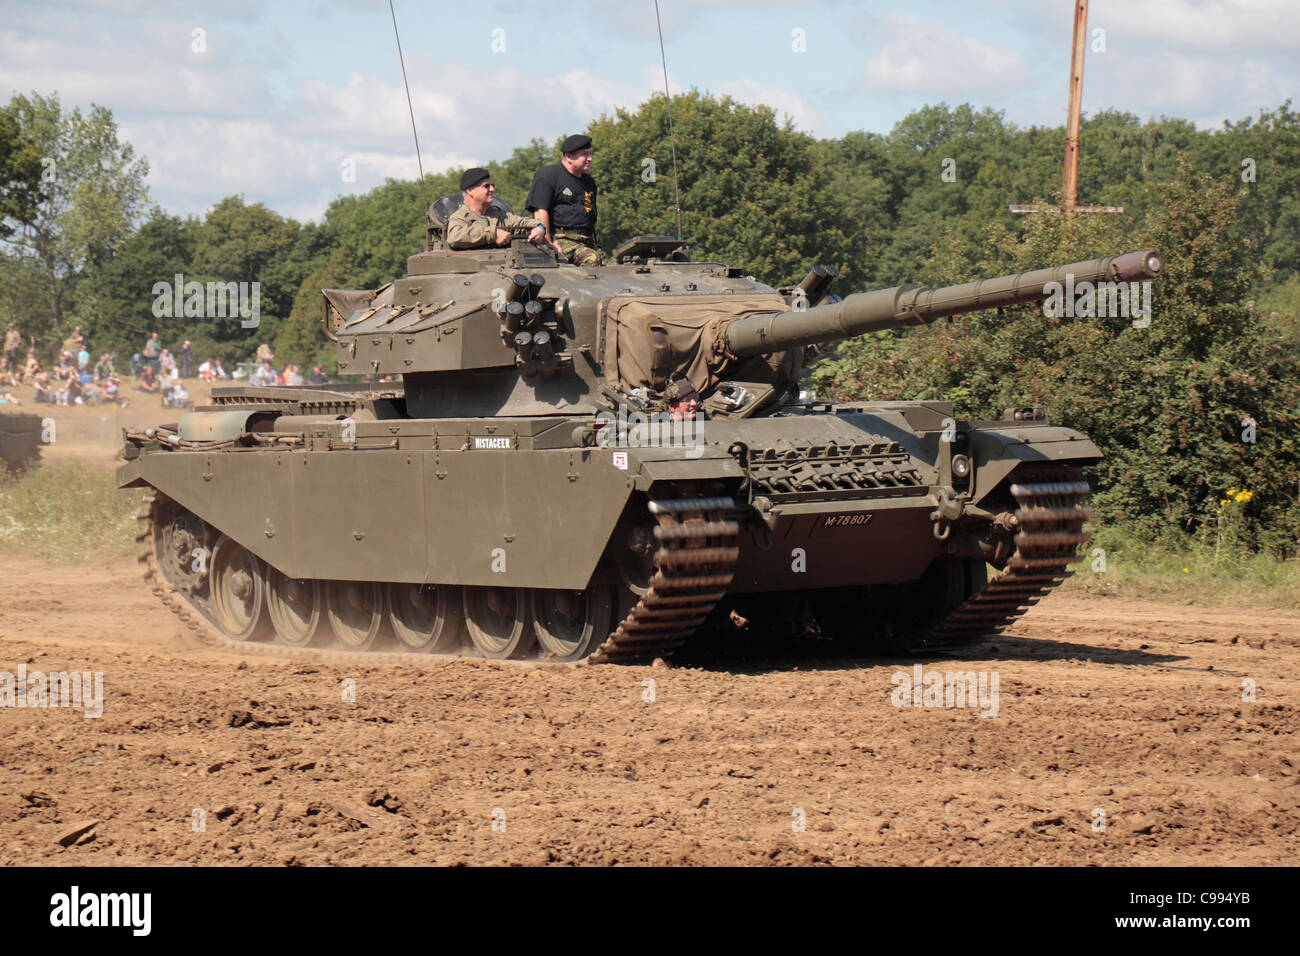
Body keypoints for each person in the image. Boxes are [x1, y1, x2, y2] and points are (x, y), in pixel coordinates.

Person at [525, 134, 604, 266]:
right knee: (592, 259)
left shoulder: (588, 182)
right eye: (585, 154)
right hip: (560, 240)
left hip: (586, 242)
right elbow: (540, 212)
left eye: (590, 154)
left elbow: (589, 212)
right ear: (568, 156)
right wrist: (548, 245)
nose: (590, 158)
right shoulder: (548, 176)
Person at [446, 168, 558, 252]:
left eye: (492, 185)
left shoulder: (498, 215)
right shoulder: (460, 217)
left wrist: (540, 227)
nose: (492, 189)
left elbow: (523, 223)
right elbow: (455, 237)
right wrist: (493, 234)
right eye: (486, 186)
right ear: (470, 190)